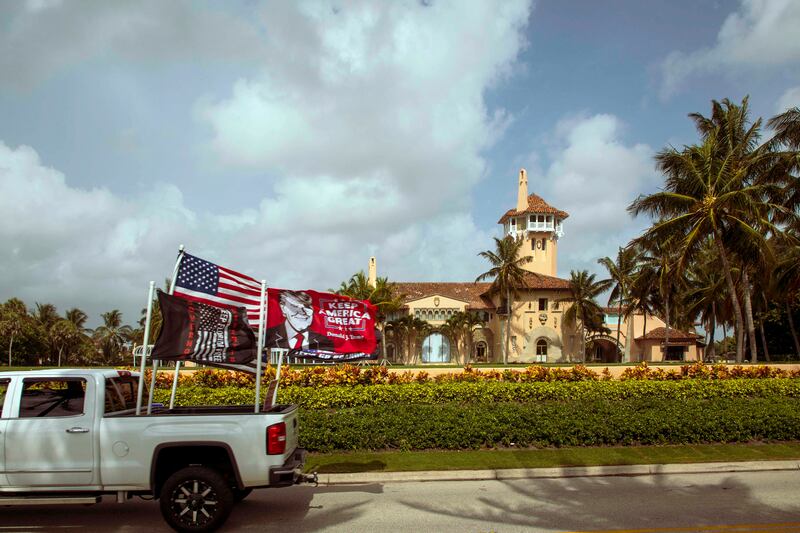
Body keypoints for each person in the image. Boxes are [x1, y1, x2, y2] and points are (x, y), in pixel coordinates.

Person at [265, 290, 334, 351]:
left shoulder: (324, 340)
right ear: (283, 308)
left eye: (307, 307)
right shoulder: (269, 335)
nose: (302, 312)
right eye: (295, 306)